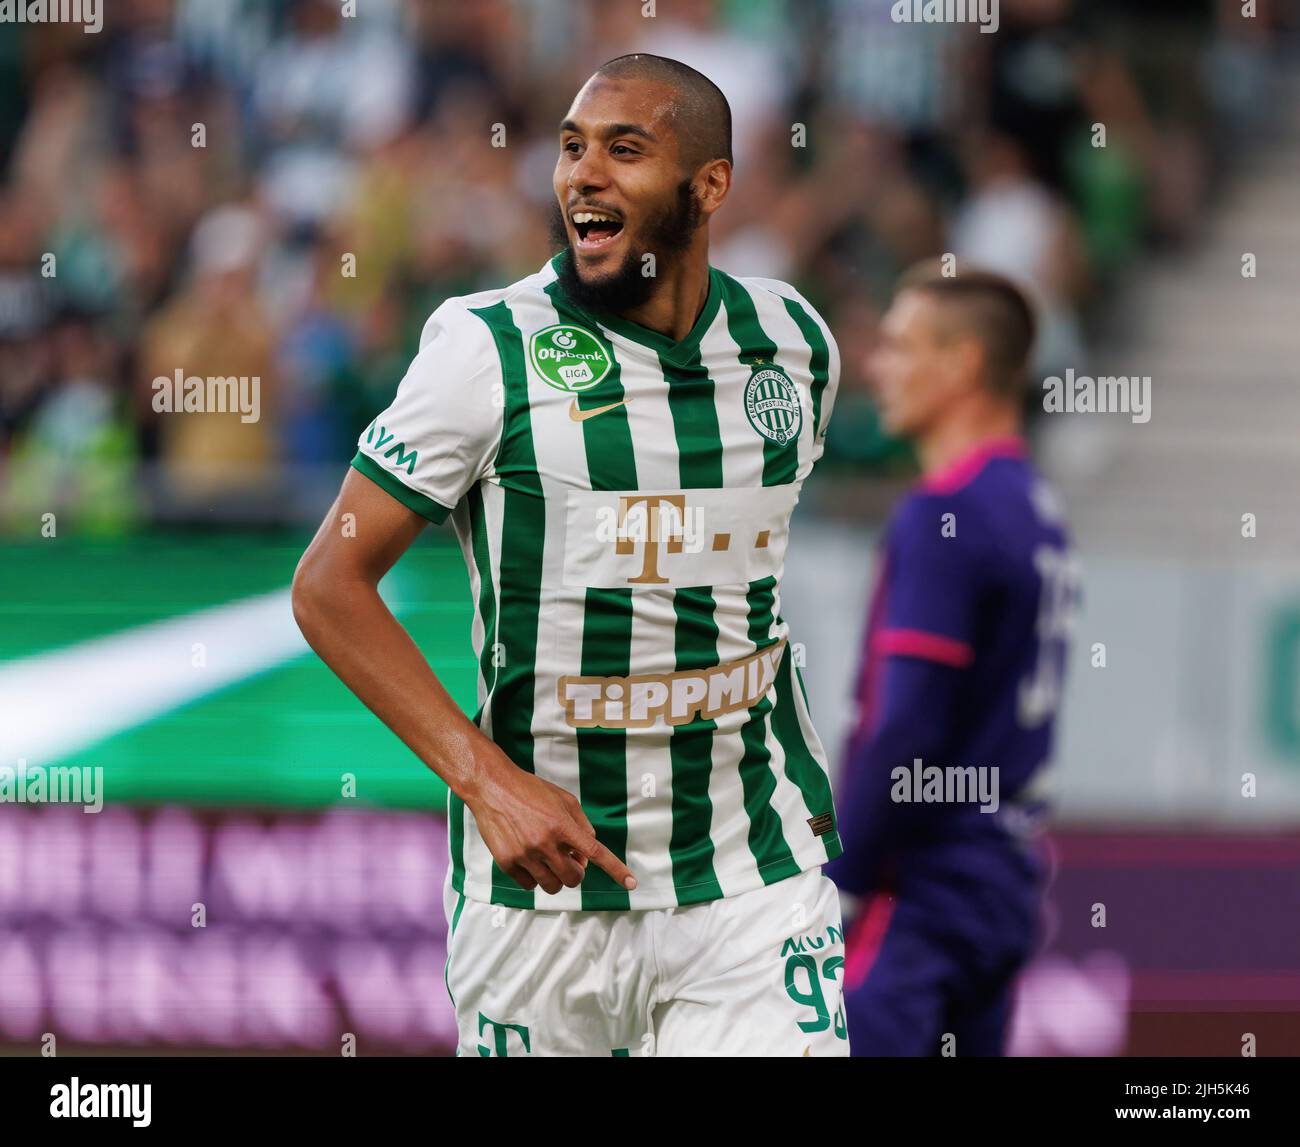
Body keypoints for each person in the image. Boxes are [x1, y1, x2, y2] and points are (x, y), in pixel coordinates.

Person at [293, 54, 847, 1057]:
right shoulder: (485, 347)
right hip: (539, 905)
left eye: (623, 150)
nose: (581, 175)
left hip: (752, 875)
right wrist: (485, 780)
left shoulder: (794, 343)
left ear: (708, 185)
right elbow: (328, 584)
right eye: (570, 148)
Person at [827, 261, 1077, 1057]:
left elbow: (905, 727)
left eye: (901, 346)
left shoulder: (948, 513)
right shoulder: (1035, 508)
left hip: (920, 888)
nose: (877, 365)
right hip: (1001, 884)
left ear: (963, 362)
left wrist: (842, 878)